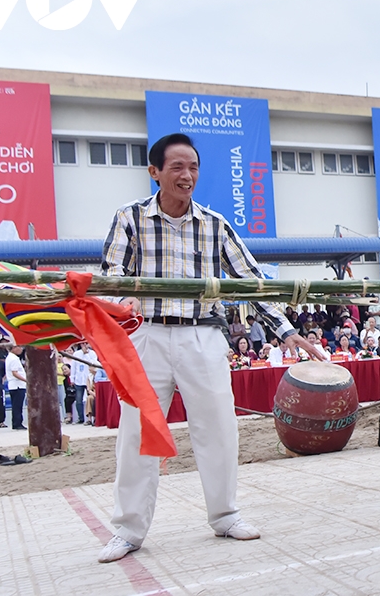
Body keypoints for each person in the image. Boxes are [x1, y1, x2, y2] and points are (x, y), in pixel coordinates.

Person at [96, 133, 322, 564]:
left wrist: (285, 330)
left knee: (218, 428)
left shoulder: (215, 224)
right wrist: (121, 303)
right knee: (138, 433)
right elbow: (110, 275)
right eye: (177, 167)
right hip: (147, 334)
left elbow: (251, 281)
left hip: (201, 335)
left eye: (193, 167)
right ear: (155, 172)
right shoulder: (129, 218)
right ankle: (128, 530)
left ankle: (225, 515)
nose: (187, 176)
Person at [5, 344, 27, 431]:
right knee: (17, 405)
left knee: (16, 405)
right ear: (14, 348)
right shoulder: (14, 359)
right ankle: (17, 423)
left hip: (15, 385)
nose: (21, 349)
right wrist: (26, 380)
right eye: (19, 347)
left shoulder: (10, 357)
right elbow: (15, 372)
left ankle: (16, 422)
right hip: (17, 385)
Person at [70, 344, 93, 424]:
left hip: (89, 379)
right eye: (83, 344)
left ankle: (90, 418)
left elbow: (93, 363)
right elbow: (73, 367)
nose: (84, 345)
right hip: (79, 380)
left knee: (90, 399)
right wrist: (72, 378)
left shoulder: (92, 353)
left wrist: (86, 354)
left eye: (86, 343)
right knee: (78, 400)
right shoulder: (76, 354)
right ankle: (81, 418)